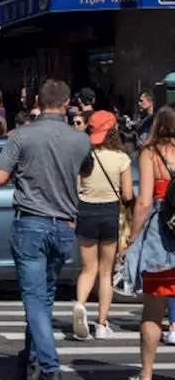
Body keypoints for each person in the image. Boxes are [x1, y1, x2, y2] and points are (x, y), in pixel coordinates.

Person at [0, 79, 93, 380]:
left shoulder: (22, 135)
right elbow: (86, 170)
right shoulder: (79, 139)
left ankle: (49, 368)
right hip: (64, 226)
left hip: (31, 223)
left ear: (37, 101)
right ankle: (30, 361)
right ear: (67, 104)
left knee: (35, 300)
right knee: (44, 298)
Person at [121, 105, 175, 380]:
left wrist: (131, 238)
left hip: (160, 238)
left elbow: (143, 202)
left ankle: (146, 375)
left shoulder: (149, 153)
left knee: (153, 310)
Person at [71, 111, 132, 341]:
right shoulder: (121, 158)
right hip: (110, 212)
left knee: (88, 269)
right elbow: (127, 194)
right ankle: (102, 324)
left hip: (86, 211)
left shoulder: (86, 155)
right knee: (106, 272)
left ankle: (80, 305)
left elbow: (77, 187)